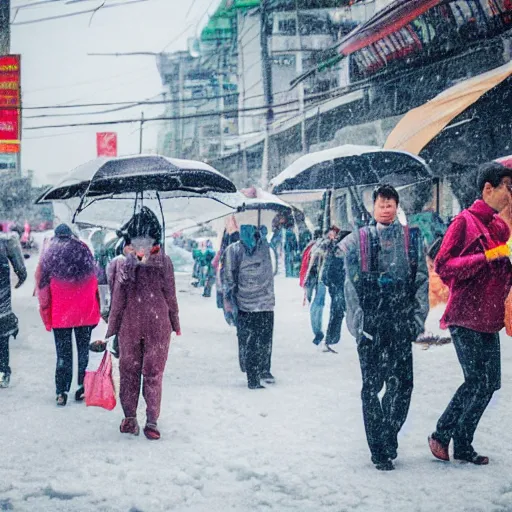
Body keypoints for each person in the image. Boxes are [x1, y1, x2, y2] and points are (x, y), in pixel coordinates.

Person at [337, 185, 428, 471]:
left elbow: (422, 281)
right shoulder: (359, 238)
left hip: (401, 321)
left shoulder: (411, 239)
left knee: (402, 385)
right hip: (371, 323)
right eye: (381, 203)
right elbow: (348, 283)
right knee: (371, 388)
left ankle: (388, 434)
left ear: (397, 206)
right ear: (373, 208)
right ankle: (379, 449)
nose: (386, 208)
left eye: (390, 203)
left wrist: (417, 318)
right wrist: (358, 322)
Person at [428, 162, 512, 465]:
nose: (510, 194)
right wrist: (486, 256)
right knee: (476, 380)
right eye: (508, 186)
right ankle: (441, 434)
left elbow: (502, 268)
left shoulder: (499, 228)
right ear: (488, 189)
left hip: (488, 318)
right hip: (465, 315)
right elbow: (444, 266)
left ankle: (463, 444)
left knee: (490, 383)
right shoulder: (464, 222)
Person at [106, 207, 180, 440]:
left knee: (128, 371)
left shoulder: (121, 264)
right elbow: (171, 295)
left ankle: (130, 418)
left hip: (130, 324)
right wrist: (175, 322)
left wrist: (112, 328)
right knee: (153, 372)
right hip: (158, 324)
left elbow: (117, 298)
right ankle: (152, 421)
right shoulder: (164, 261)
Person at [37, 224, 100, 406]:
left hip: (61, 314)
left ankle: (61, 391)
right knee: (83, 352)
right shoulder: (84, 250)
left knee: (63, 354)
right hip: (84, 313)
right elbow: (94, 279)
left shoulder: (50, 254)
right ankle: (82, 387)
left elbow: (43, 289)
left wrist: (46, 312)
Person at [223, 224, 275, 389]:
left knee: (250, 339)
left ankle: (254, 372)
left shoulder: (236, 250)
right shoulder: (262, 247)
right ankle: (259, 371)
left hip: (251, 303)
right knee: (261, 339)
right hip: (260, 302)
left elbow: (228, 276)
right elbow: (229, 276)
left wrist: (229, 298)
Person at [0, 230, 27, 388]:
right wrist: (21, 277)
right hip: (2, 304)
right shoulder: (6, 241)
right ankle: (3, 372)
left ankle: (3, 371)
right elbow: (20, 268)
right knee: (2, 338)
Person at [321, 228, 350, 351]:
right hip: (338, 285)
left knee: (338, 312)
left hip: (337, 285)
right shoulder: (338, 251)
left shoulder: (335, 250)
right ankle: (331, 340)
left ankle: (331, 339)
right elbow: (330, 271)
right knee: (338, 311)